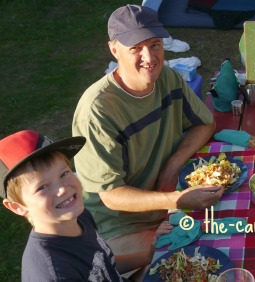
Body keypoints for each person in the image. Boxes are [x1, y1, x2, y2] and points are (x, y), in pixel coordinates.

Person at [71, 3, 223, 275]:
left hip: (167, 198)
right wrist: (175, 200)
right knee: (191, 259)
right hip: (119, 224)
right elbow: (112, 197)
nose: (149, 57)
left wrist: (173, 164)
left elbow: (206, 123)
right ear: (114, 50)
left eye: (155, 44)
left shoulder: (169, 78)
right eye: (136, 48)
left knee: (230, 232)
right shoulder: (97, 110)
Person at [0, 130, 173, 281]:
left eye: (64, 173)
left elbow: (104, 265)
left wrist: (148, 256)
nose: (62, 189)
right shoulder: (53, 272)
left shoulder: (79, 216)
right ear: (17, 207)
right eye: (42, 187)